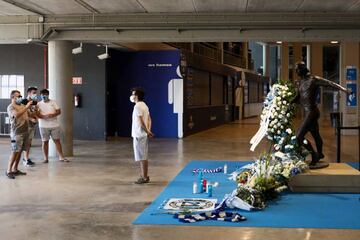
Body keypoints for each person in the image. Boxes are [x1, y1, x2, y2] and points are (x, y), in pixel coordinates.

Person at [294, 61, 350, 166]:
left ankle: (314, 154)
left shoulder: (313, 79)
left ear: (303, 69)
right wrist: (284, 102)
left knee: (298, 137)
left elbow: (330, 83)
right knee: (315, 135)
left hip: (312, 112)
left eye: (298, 69)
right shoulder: (300, 82)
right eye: (295, 69)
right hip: (308, 113)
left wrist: (345, 90)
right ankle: (319, 154)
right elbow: (297, 98)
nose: (296, 71)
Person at [37, 89, 69, 163]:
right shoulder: (38, 104)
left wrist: (53, 115)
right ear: (40, 95)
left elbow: (59, 111)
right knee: (45, 142)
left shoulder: (53, 102)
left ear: (48, 95)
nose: (44, 96)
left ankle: (61, 157)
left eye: (45, 94)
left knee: (57, 141)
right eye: (42, 95)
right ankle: (45, 158)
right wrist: (44, 116)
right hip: (43, 126)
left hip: (54, 125)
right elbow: (37, 114)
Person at [6, 90, 32, 179]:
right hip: (16, 133)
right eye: (18, 96)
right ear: (13, 97)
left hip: (25, 132)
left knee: (20, 151)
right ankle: (8, 171)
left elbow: (29, 115)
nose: (20, 97)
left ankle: (15, 169)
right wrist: (27, 107)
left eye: (21, 96)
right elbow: (16, 115)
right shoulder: (11, 107)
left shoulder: (22, 105)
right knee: (15, 151)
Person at [130, 88, 153, 184]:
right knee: (143, 156)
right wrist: (149, 131)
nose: (132, 96)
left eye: (133, 94)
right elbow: (149, 120)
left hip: (139, 135)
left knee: (142, 157)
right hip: (143, 134)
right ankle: (144, 176)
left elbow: (141, 122)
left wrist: (147, 132)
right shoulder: (145, 106)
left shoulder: (137, 107)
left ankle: (144, 177)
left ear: (137, 96)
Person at [22, 86, 38, 166]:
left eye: (36, 93)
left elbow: (34, 112)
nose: (35, 95)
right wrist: (30, 119)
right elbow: (22, 113)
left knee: (29, 143)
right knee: (26, 143)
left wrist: (36, 116)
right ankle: (25, 159)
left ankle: (26, 158)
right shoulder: (24, 102)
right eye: (34, 93)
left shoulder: (34, 102)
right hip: (25, 125)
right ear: (29, 93)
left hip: (32, 126)